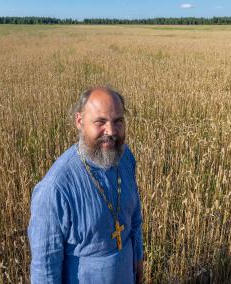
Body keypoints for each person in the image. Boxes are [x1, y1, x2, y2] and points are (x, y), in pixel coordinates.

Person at [28, 86, 144, 283]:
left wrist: (138, 258)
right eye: (100, 122)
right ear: (79, 121)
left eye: (118, 121)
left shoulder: (125, 159)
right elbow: (45, 266)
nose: (111, 131)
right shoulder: (55, 188)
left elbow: (134, 218)